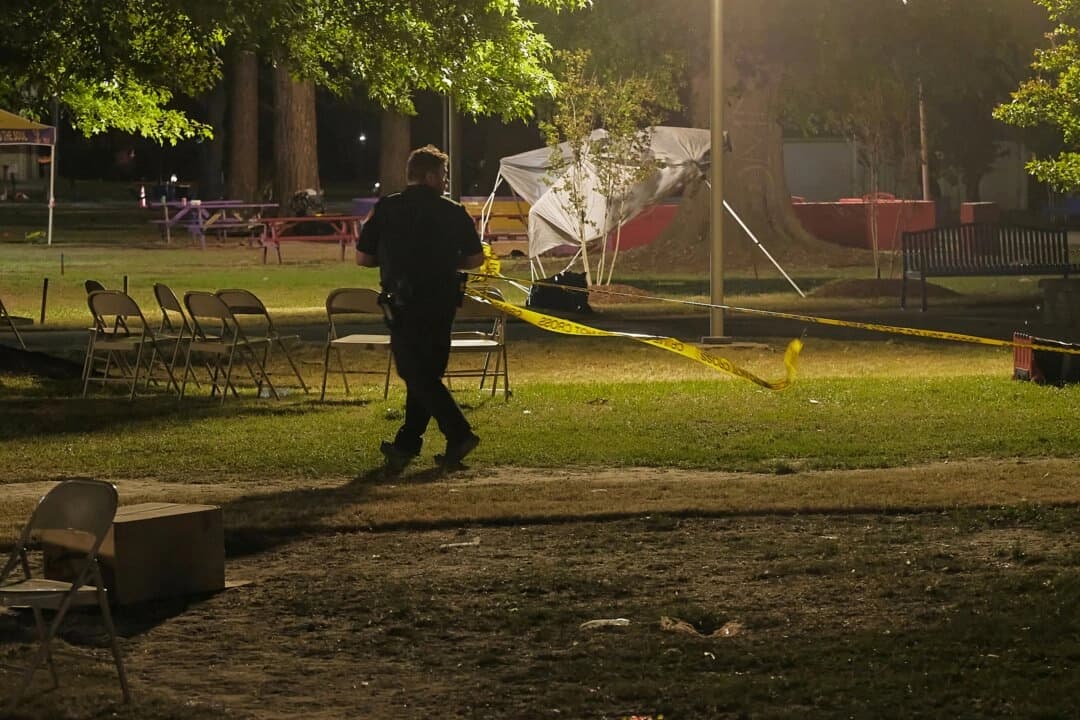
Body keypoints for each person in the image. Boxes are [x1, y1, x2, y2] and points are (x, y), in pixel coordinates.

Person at [356, 145, 485, 470]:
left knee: (414, 372)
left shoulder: (386, 208)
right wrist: (444, 261)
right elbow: (475, 259)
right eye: (442, 175)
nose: (444, 181)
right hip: (441, 303)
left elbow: (363, 258)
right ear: (429, 176)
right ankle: (407, 443)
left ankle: (458, 433)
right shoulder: (453, 211)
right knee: (426, 372)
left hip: (403, 304)